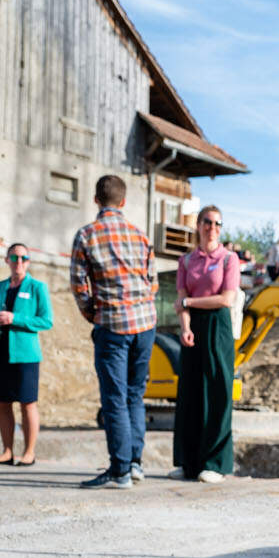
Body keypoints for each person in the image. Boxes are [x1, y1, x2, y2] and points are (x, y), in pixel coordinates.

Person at [71, 174, 157, 489]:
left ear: (95, 200)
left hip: (113, 325)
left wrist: (92, 313)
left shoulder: (86, 235)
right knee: (135, 394)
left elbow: (79, 285)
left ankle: (120, 470)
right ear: (123, 202)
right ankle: (135, 464)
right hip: (145, 324)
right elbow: (153, 281)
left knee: (115, 398)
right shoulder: (140, 235)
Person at [171, 205, 240, 484]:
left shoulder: (228, 259)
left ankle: (215, 462)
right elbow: (180, 299)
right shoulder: (186, 261)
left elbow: (226, 299)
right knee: (190, 392)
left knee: (218, 391)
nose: (212, 228)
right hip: (193, 328)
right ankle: (188, 462)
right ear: (198, 225)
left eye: (218, 223)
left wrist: (189, 303)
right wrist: (185, 328)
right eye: (208, 222)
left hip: (218, 326)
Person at [0, 243, 53, 466]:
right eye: (14, 258)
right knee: (3, 403)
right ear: (7, 260)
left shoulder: (37, 288)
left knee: (27, 402)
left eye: (23, 258)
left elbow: (46, 320)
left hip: (25, 354)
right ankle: (6, 451)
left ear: (29, 261)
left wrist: (15, 319)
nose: (18, 262)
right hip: (0, 350)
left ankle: (29, 452)